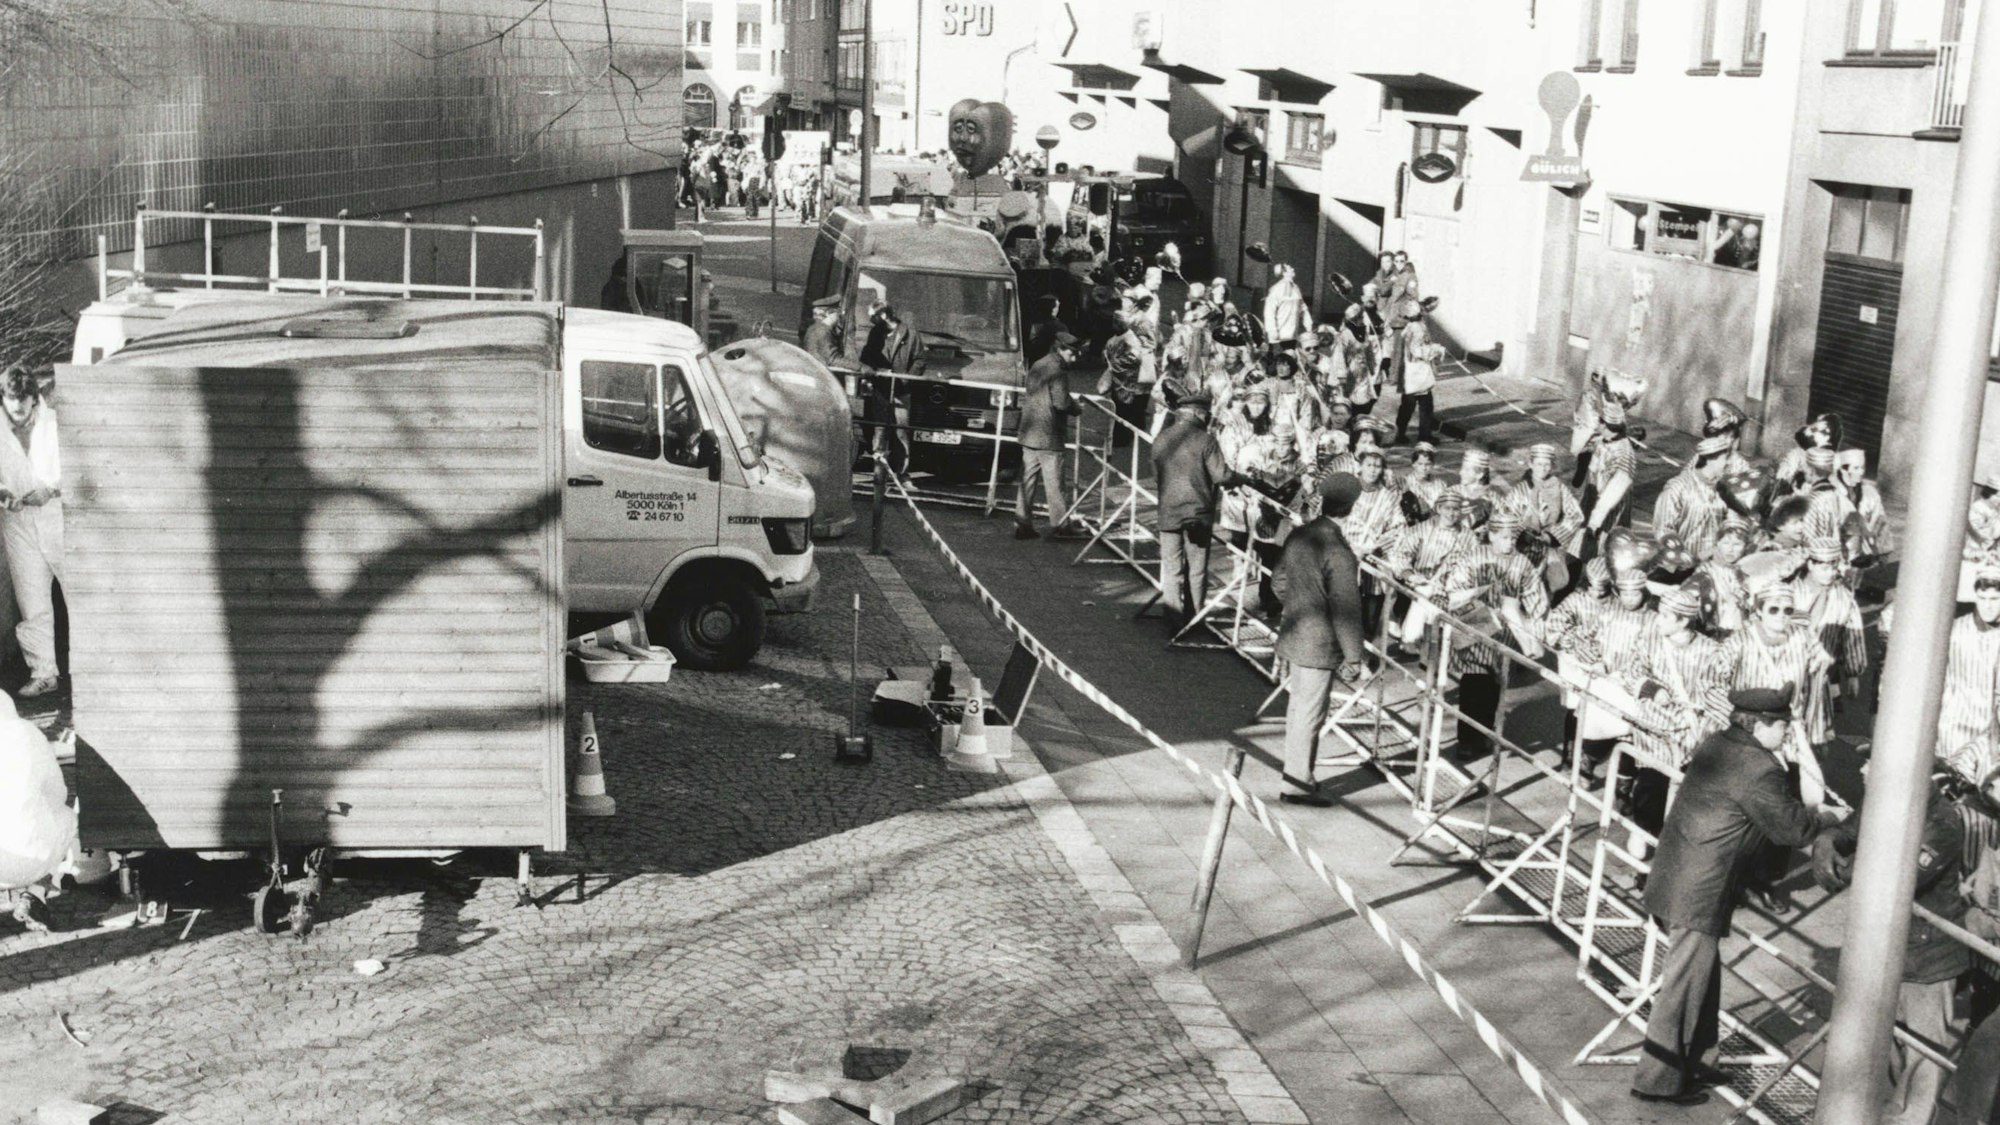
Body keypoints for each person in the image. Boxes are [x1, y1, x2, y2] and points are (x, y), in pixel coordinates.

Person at [1632, 685, 1831, 1106]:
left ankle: (1702, 1060)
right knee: (1683, 988)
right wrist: (1827, 818)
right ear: (1759, 725)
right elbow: (1790, 829)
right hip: (1698, 893)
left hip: (1677, 877)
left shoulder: (1718, 744)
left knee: (1703, 979)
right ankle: (1657, 1079)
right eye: (1783, 725)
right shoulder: (1758, 767)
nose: (1788, 732)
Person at [1811, 768, 1968, 1125]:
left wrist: (1843, 868)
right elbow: (1849, 830)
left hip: (1928, 961)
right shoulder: (1885, 797)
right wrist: (1828, 841)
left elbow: (1903, 877)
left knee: (1922, 1061)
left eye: (1875, 760)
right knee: (1882, 1052)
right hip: (1885, 949)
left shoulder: (1942, 822)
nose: (1865, 770)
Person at [1274, 472, 1369, 807]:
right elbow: (1346, 608)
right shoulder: (1340, 552)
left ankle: (1297, 774)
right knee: (1309, 714)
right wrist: (1354, 656)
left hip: (1294, 633)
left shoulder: (1301, 535)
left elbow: (1278, 582)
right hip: (1319, 643)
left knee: (1298, 708)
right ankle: (1298, 784)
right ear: (1351, 507)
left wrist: (1299, 606)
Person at [1154, 393, 1243, 633]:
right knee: (1197, 569)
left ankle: (1172, 621)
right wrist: (1241, 478)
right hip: (1198, 514)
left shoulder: (1162, 438)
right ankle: (1194, 619)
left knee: (1171, 570)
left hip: (1168, 512)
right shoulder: (1206, 440)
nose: (1208, 418)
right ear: (1197, 413)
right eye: (1205, 414)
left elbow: (1156, 474)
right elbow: (1222, 476)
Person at [0, 367, 61, 697]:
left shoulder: (53, 424)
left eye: (24, 404)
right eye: (12, 405)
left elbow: (76, 467)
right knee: (32, 600)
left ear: (34, 399)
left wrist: (51, 490)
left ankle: (96, 670)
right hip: (19, 524)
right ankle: (44, 673)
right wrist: (3, 494)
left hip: (57, 518)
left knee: (77, 594)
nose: (18, 413)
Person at [1015, 333, 1084, 541]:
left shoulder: (1038, 364)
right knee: (1055, 484)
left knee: (1027, 480)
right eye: (1072, 353)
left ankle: (1022, 524)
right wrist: (1077, 407)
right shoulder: (1058, 371)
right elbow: (1061, 403)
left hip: (1029, 433)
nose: (1074, 358)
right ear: (1060, 349)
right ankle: (1061, 526)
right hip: (1049, 435)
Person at [1652, 435, 1734, 563]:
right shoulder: (1677, 487)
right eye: (1725, 458)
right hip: (1678, 567)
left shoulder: (1723, 490)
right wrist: (1680, 557)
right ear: (1711, 460)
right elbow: (1663, 529)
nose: (1728, 463)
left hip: (1709, 566)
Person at [1392, 321, 1441, 446]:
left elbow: (1424, 346)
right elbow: (1418, 351)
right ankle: (1401, 433)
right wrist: (1435, 350)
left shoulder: (1414, 327)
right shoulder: (1414, 329)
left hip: (1420, 374)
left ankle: (1424, 435)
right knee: (1409, 407)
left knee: (1426, 406)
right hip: (1412, 376)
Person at [1262, 262, 1312, 346]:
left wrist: (1308, 324)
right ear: (1284, 273)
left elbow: (1303, 308)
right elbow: (1269, 311)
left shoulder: (1295, 288)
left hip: (1292, 336)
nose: (1293, 269)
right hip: (1278, 338)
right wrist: (1272, 330)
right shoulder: (1276, 289)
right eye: (1290, 268)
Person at [801, 295, 843, 368]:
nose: (839, 317)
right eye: (837, 314)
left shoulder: (813, 328)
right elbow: (832, 360)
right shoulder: (823, 330)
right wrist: (860, 367)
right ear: (830, 314)